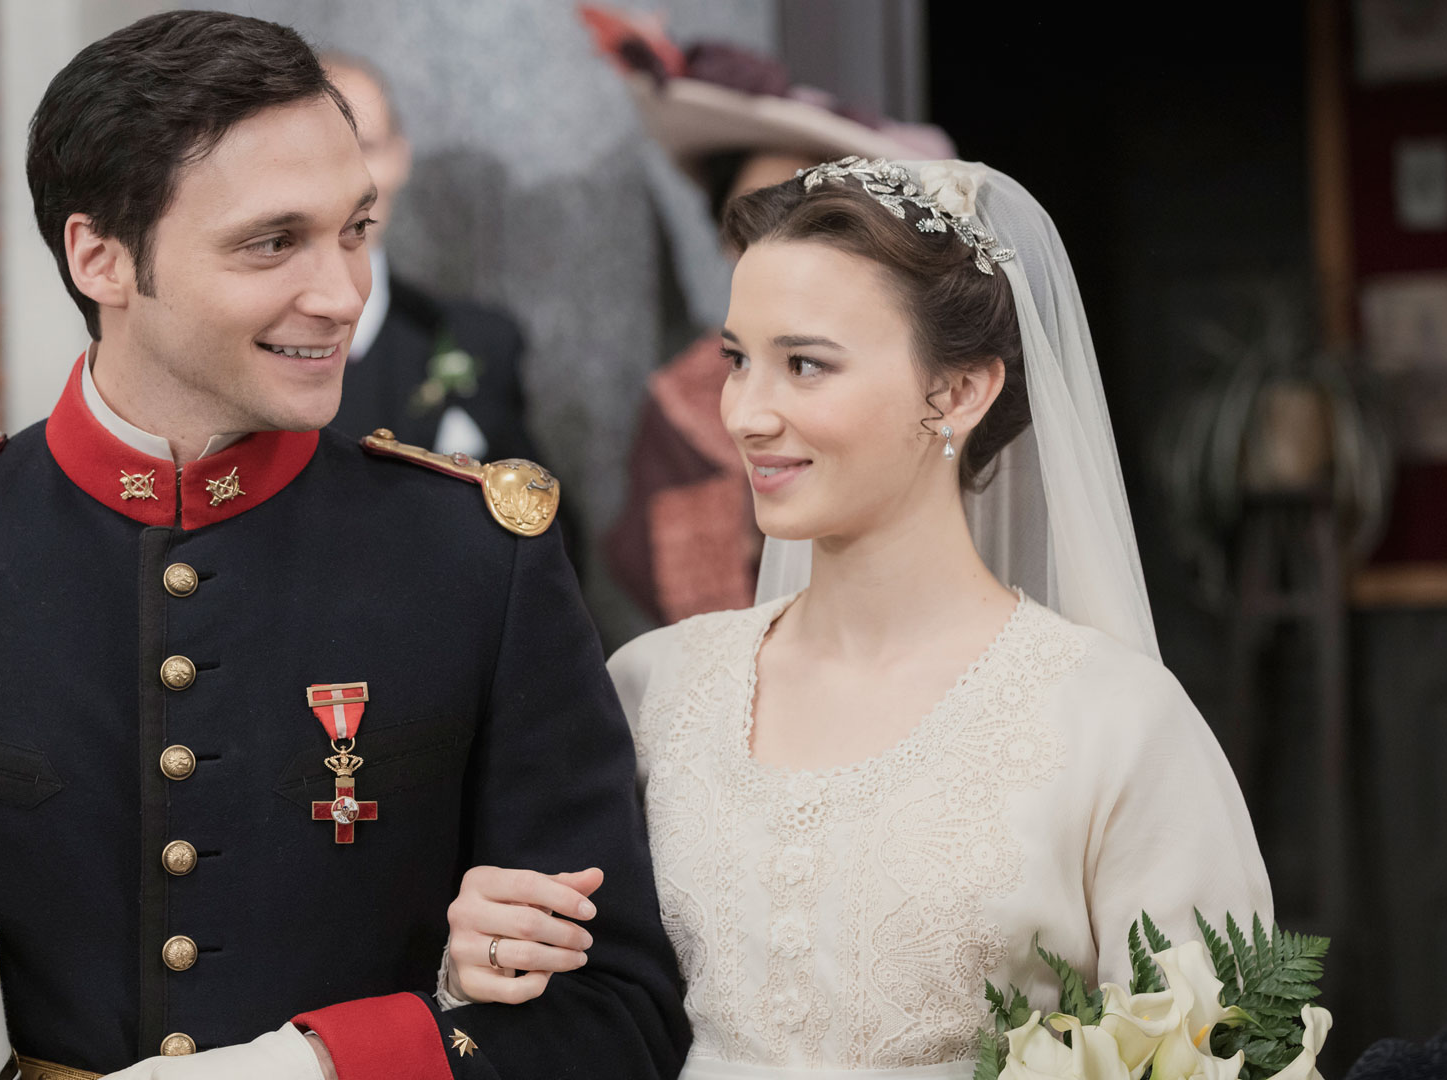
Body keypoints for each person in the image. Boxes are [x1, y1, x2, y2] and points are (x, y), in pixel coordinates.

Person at [0, 12, 688, 1080]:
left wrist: (314, 1063)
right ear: (100, 257)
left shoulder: (477, 561)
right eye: (273, 243)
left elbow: (621, 1010)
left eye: (355, 230)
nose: (344, 292)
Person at [439, 158, 1272, 1078]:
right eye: (737, 360)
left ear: (958, 392)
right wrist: (483, 962)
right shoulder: (650, 690)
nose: (745, 414)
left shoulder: (1117, 724)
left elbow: (1224, 1049)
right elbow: (583, 1023)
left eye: (805, 365)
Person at [582, 6, 953, 627]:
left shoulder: (931, 371)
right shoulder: (684, 407)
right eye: (754, 223)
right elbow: (693, 606)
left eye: (808, 219)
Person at [319, 53, 542, 466]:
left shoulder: (478, 342)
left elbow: (531, 499)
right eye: (320, 154)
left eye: (365, 148)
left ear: (400, 158)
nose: (348, 181)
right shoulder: (238, 345)